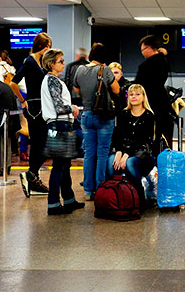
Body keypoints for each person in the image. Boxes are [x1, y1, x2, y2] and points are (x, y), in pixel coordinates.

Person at [40, 49, 85, 216]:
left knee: (65, 165)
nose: (63, 63)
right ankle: (53, 203)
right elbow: (59, 106)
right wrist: (72, 108)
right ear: (52, 64)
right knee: (59, 166)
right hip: (59, 125)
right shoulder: (52, 80)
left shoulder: (52, 80)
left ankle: (69, 199)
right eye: (60, 61)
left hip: (60, 125)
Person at [74, 43, 121, 200]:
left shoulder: (80, 69)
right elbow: (116, 89)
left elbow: (76, 89)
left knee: (89, 153)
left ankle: (88, 190)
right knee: (102, 153)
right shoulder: (104, 70)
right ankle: (100, 188)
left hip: (86, 114)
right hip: (104, 116)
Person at [10, 32, 52, 198]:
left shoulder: (39, 62)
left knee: (37, 146)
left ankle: (33, 177)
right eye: (47, 47)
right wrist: (22, 100)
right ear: (41, 46)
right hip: (35, 108)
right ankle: (31, 174)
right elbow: (14, 82)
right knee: (42, 145)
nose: (49, 50)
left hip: (41, 106)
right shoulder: (29, 62)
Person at [106, 83, 157, 203]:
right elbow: (117, 136)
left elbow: (142, 140)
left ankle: (139, 196)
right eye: (131, 94)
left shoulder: (149, 116)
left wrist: (126, 154)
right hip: (124, 150)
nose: (134, 97)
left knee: (130, 163)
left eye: (137, 94)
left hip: (143, 153)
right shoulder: (123, 114)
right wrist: (119, 152)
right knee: (111, 162)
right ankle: (111, 196)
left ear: (143, 97)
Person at [135, 35, 172, 150]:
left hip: (149, 104)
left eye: (143, 50)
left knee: (151, 137)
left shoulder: (145, 66)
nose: (142, 53)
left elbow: (138, 85)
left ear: (149, 48)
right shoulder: (164, 61)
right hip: (163, 104)